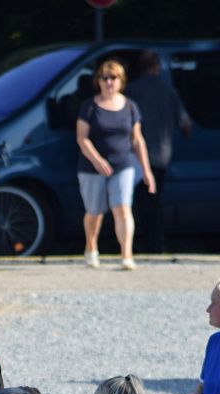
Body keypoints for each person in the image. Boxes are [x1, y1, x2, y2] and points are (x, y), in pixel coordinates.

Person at [75, 59, 155, 270]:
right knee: (94, 211)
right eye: (105, 78)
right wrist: (97, 160)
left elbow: (137, 140)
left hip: (123, 165)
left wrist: (146, 170)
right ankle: (91, 248)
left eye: (113, 78)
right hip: (92, 167)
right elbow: (82, 138)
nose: (109, 82)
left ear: (121, 81)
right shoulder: (89, 106)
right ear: (98, 81)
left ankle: (126, 255)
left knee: (123, 208)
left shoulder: (130, 106)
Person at [124, 51, 191, 255]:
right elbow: (186, 125)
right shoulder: (168, 90)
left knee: (137, 204)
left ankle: (142, 245)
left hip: (135, 157)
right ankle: (155, 245)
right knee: (153, 202)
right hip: (161, 156)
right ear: (156, 67)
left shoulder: (132, 91)